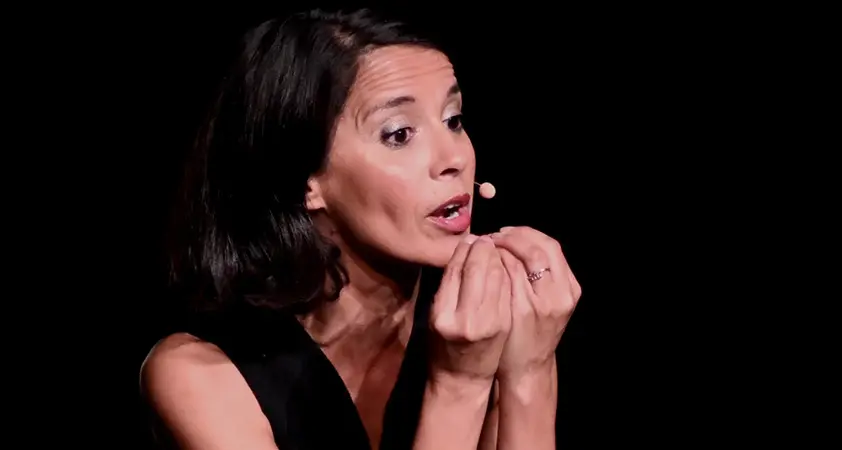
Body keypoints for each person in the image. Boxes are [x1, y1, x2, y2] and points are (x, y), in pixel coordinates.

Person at [142, 9, 581, 450]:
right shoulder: (200, 374)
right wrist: (458, 386)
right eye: (399, 134)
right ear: (306, 180)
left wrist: (532, 369)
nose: (454, 158)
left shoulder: (480, 322)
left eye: (453, 119)